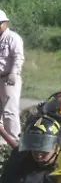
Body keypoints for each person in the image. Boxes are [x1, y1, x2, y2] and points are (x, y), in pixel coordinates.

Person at [0, 10, 24, 139]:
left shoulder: (12, 38)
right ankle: (3, 144)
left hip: (9, 79)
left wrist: (14, 73)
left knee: (9, 112)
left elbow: (18, 57)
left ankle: (14, 142)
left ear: (5, 23)